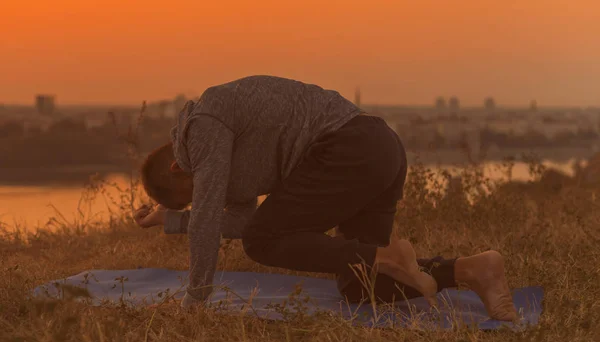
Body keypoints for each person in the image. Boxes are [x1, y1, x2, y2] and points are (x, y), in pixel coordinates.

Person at [134, 75, 517, 321]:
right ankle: (473, 269)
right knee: (359, 285)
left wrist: (195, 302)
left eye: (195, 193)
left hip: (350, 144)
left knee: (262, 241)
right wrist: (170, 219)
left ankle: (388, 255)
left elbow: (218, 223)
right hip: (378, 153)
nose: (205, 196)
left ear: (178, 168)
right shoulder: (223, 164)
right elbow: (236, 221)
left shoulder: (203, 125)